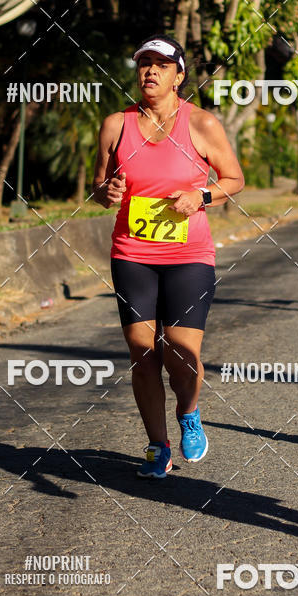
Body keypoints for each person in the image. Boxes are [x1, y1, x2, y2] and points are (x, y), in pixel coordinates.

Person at [92, 35, 244, 478]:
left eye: (161, 64)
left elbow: (233, 179)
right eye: (144, 63)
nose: (150, 71)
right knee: (143, 352)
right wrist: (108, 192)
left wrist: (201, 196)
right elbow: (99, 188)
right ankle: (157, 447)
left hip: (188, 254)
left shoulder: (202, 125)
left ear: (179, 75)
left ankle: (190, 412)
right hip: (132, 252)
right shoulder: (115, 125)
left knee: (181, 353)